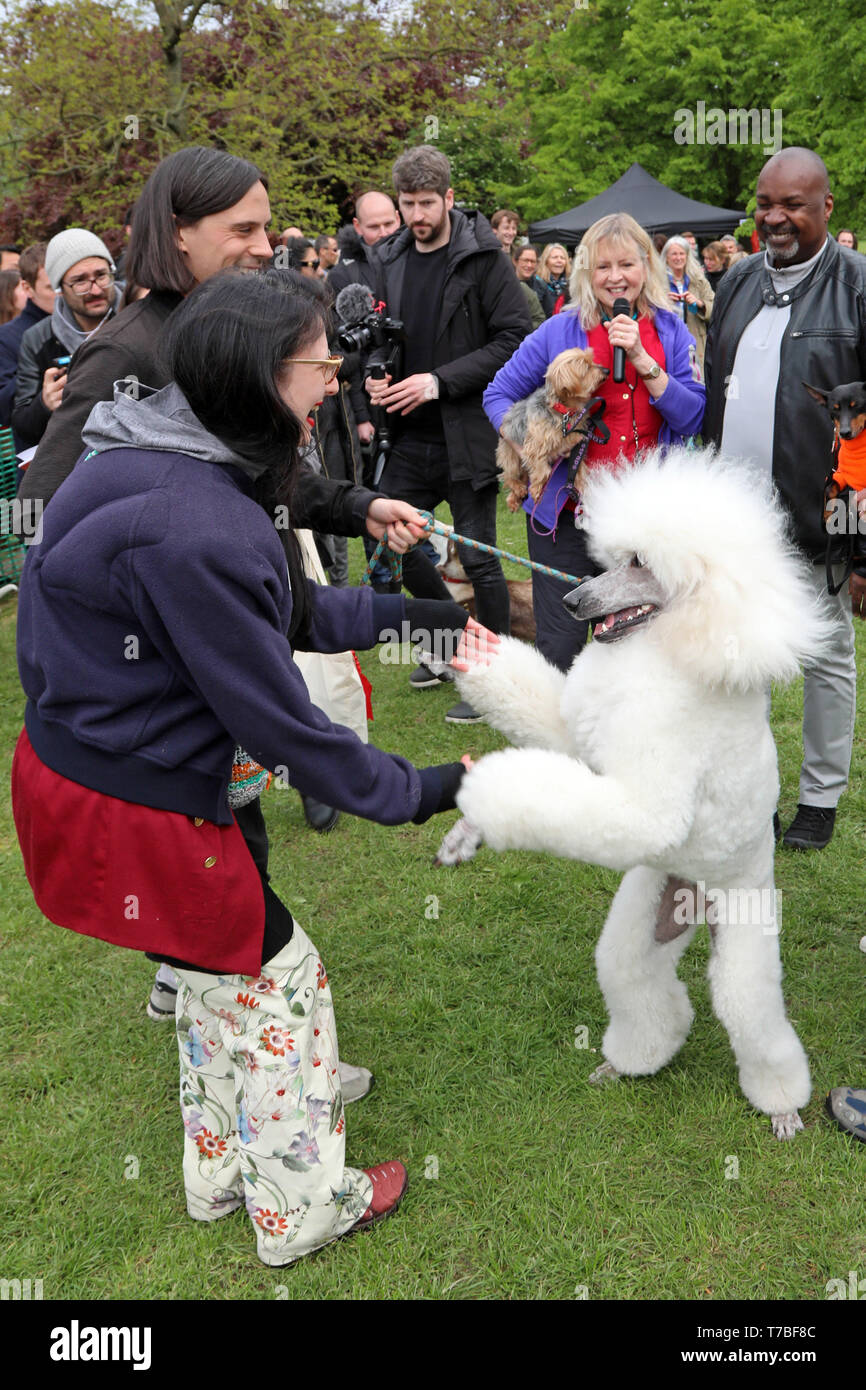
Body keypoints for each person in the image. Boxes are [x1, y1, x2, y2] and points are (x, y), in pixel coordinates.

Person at [12, 266, 492, 1267]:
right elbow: (286, 728)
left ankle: (219, 1170)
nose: (334, 381)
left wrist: (430, 616)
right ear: (264, 377)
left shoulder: (176, 452)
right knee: (277, 978)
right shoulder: (196, 521)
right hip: (129, 801)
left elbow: (295, 609)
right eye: (321, 364)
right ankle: (302, 1205)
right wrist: (429, 789)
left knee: (211, 973)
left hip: (102, 774)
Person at [12, 146, 432, 1034]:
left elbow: (263, 468)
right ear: (178, 232)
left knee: (236, 820)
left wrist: (355, 505)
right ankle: (221, 990)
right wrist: (108, 622)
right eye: (241, 228)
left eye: (265, 224)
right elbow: (43, 508)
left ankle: (205, 972)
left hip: (230, 589)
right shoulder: (128, 352)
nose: (260, 243)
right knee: (233, 855)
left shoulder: (247, 334)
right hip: (166, 653)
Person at [704, 146, 866, 851]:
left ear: (825, 208)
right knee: (741, 660)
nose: (774, 217)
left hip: (825, 514)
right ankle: (754, 791)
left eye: (792, 205)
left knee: (826, 655)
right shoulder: (737, 280)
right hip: (738, 522)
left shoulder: (857, 285)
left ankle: (821, 798)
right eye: (766, 203)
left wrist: (859, 541)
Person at [483, 211, 705, 674]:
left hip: (643, 524)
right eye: (603, 267)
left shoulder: (670, 330)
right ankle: (559, 742)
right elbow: (498, 394)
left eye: (627, 264)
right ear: (586, 271)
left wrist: (644, 362)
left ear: (646, 266)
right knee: (560, 647)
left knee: (636, 650)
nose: (615, 277)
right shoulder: (558, 331)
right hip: (566, 517)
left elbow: (692, 417)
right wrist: (531, 445)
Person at [365, 144, 532, 722]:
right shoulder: (387, 256)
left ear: (450, 199)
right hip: (407, 435)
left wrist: (439, 381)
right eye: (407, 203)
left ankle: (491, 681)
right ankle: (448, 643)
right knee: (394, 540)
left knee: (479, 558)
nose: (416, 215)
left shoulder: (485, 257)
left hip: (465, 433)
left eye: (427, 203)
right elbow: (384, 337)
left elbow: (517, 336)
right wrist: (376, 376)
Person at [12, 229, 119, 450]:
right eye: (80, 281)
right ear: (60, 288)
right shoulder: (38, 339)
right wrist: (44, 403)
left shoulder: (138, 312)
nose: (95, 289)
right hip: (76, 455)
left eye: (101, 275)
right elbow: (23, 425)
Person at [0, 242, 54, 427]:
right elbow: (4, 407)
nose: (62, 293)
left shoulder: (85, 322)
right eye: (52, 287)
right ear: (27, 288)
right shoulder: (6, 338)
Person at [327, 191, 399, 299]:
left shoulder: (418, 261)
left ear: (398, 219)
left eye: (388, 224)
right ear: (358, 226)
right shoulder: (342, 276)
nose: (383, 233)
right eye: (374, 227)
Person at [660, 234, 714, 372]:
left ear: (687, 256)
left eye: (681, 254)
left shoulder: (699, 280)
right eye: (674, 254)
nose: (678, 258)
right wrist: (663, 302)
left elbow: (716, 307)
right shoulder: (657, 281)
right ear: (666, 256)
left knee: (696, 377)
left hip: (695, 339)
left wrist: (700, 303)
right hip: (666, 339)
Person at [512, 242, 555, 317]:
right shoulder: (506, 284)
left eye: (532, 261)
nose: (529, 265)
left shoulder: (541, 286)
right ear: (515, 261)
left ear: (537, 264)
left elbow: (550, 314)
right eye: (525, 260)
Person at [537, 243, 572, 312]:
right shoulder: (538, 284)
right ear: (546, 261)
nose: (559, 261)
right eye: (555, 257)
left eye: (562, 258)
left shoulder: (570, 286)